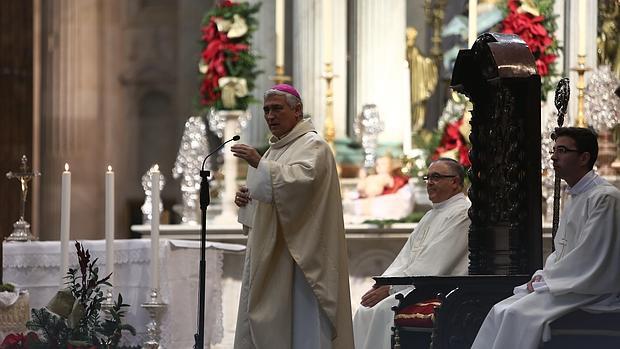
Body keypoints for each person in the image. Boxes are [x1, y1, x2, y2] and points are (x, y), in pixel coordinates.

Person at [472, 127, 620, 349]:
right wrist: (544, 275)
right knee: (499, 310)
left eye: (562, 150)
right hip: (568, 284)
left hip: (591, 291)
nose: (553, 156)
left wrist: (549, 280)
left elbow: (592, 257)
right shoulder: (577, 195)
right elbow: (562, 252)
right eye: (553, 150)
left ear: (584, 157)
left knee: (515, 314)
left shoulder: (605, 198)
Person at [231, 84, 354, 349]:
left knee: (301, 326)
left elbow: (303, 183)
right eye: (266, 110)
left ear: (297, 110)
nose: (270, 116)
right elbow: (263, 199)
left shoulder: (315, 146)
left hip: (300, 257)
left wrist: (258, 163)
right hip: (270, 251)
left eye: (277, 109)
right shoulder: (274, 151)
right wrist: (246, 200)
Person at [353, 158, 471, 349]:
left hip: (438, 287)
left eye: (437, 177)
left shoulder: (463, 213)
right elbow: (405, 257)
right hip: (413, 284)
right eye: (428, 177)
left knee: (382, 310)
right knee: (365, 310)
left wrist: (391, 289)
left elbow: (435, 261)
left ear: (455, 182)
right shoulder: (431, 214)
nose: (430, 182)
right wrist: (384, 282)